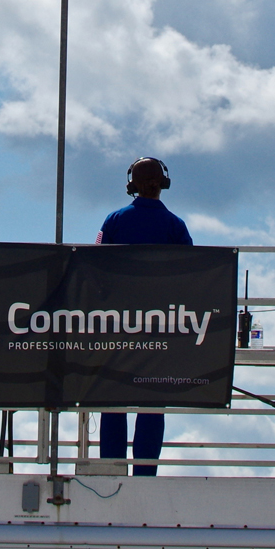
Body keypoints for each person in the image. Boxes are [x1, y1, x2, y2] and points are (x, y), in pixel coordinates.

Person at [95, 156, 190, 476]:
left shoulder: (114, 221)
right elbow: (192, 276)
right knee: (152, 402)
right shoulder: (176, 226)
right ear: (163, 183)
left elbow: (94, 269)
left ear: (130, 185)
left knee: (113, 400)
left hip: (116, 327)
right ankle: (146, 473)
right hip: (160, 328)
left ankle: (111, 469)